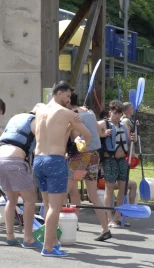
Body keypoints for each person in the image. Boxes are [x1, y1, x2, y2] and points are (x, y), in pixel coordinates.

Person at [34, 81, 91, 257]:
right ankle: (48, 248)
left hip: (38, 160)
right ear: (59, 93)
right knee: (55, 208)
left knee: (47, 205)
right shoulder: (67, 113)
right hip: (55, 160)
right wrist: (81, 146)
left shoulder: (39, 109)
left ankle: (52, 242)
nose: (69, 100)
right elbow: (87, 135)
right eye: (67, 96)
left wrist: (68, 129)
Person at [65, 93, 111, 241]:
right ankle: (105, 228)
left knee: (65, 189)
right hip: (94, 156)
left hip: (81, 157)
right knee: (92, 195)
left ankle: (61, 225)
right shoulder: (90, 113)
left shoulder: (72, 114)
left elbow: (76, 135)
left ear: (67, 101)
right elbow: (99, 132)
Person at [0, 103, 43, 248]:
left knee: (11, 200)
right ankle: (28, 238)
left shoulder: (16, 118)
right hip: (15, 160)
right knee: (30, 200)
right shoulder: (36, 121)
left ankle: (10, 237)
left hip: (1, 158)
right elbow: (40, 145)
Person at [98, 100, 134, 228]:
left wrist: (131, 139)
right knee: (110, 188)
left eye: (119, 113)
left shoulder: (123, 126)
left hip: (121, 160)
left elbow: (127, 143)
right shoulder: (103, 123)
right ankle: (109, 218)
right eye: (115, 113)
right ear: (110, 113)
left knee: (122, 188)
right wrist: (102, 134)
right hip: (109, 160)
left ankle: (118, 215)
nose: (117, 116)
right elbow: (91, 134)